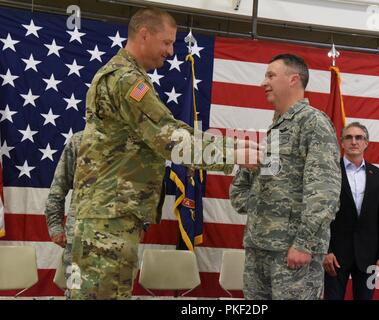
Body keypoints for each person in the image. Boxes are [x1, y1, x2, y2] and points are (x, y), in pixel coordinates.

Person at [69, 7, 255, 300]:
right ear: (144, 34)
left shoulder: (126, 75)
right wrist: (234, 156)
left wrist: (234, 147)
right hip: (109, 216)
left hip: (109, 213)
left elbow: (170, 127)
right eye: (167, 42)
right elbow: (169, 138)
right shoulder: (127, 80)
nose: (170, 51)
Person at [229, 53, 341, 300]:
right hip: (259, 248)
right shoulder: (274, 130)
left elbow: (325, 192)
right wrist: (264, 212)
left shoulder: (313, 123)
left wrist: (304, 243)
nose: (263, 82)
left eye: (270, 75)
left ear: (293, 80)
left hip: (292, 253)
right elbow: (242, 192)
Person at [323, 122, 379, 300]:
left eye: (359, 137)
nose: (354, 141)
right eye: (349, 137)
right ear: (342, 142)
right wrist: (325, 250)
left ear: (366, 142)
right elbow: (321, 216)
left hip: (371, 260)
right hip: (334, 258)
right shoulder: (328, 173)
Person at [45, 131, 83, 297]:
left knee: (116, 292)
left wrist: (144, 224)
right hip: (78, 239)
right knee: (75, 290)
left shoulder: (133, 140)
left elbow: (147, 189)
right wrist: (54, 226)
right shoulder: (80, 140)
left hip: (121, 237)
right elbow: (58, 189)